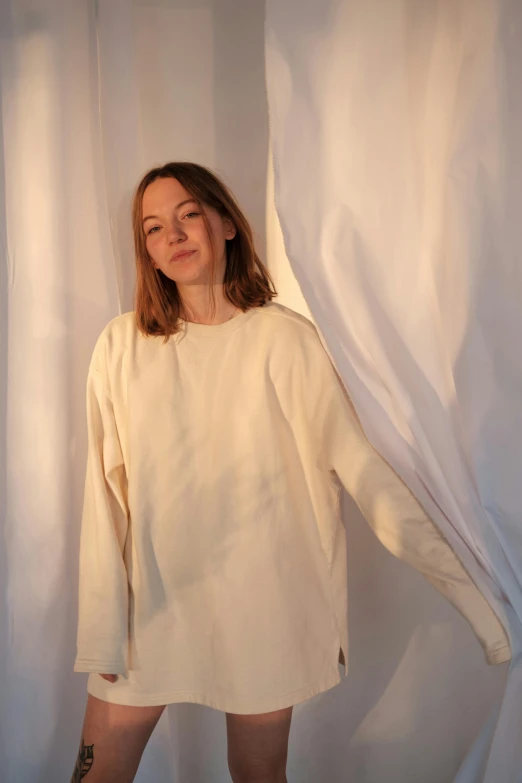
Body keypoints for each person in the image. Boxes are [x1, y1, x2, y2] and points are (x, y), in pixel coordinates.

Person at [72, 162, 510, 783]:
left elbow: (369, 479)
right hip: (149, 613)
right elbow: (104, 498)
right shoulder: (121, 346)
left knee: (258, 776)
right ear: (145, 251)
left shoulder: (288, 341)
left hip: (263, 613)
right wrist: (100, 629)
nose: (172, 234)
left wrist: (481, 609)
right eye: (152, 228)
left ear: (225, 222)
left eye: (189, 214)